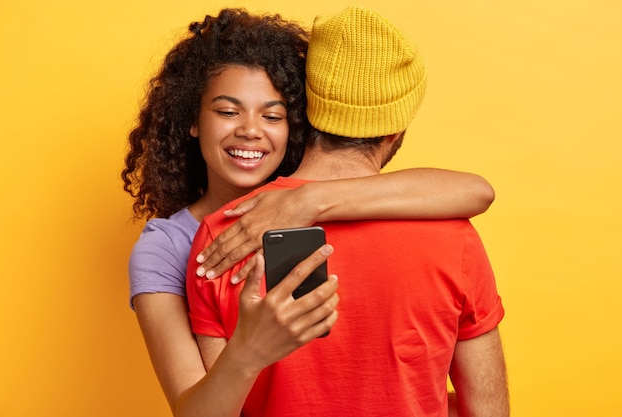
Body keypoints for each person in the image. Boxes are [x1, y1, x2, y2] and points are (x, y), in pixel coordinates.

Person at [123, 7, 496, 416]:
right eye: (228, 111)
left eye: (273, 115)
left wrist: (306, 200)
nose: (250, 129)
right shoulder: (185, 246)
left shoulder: (221, 235)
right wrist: (249, 351)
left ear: (300, 120)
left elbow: (477, 190)